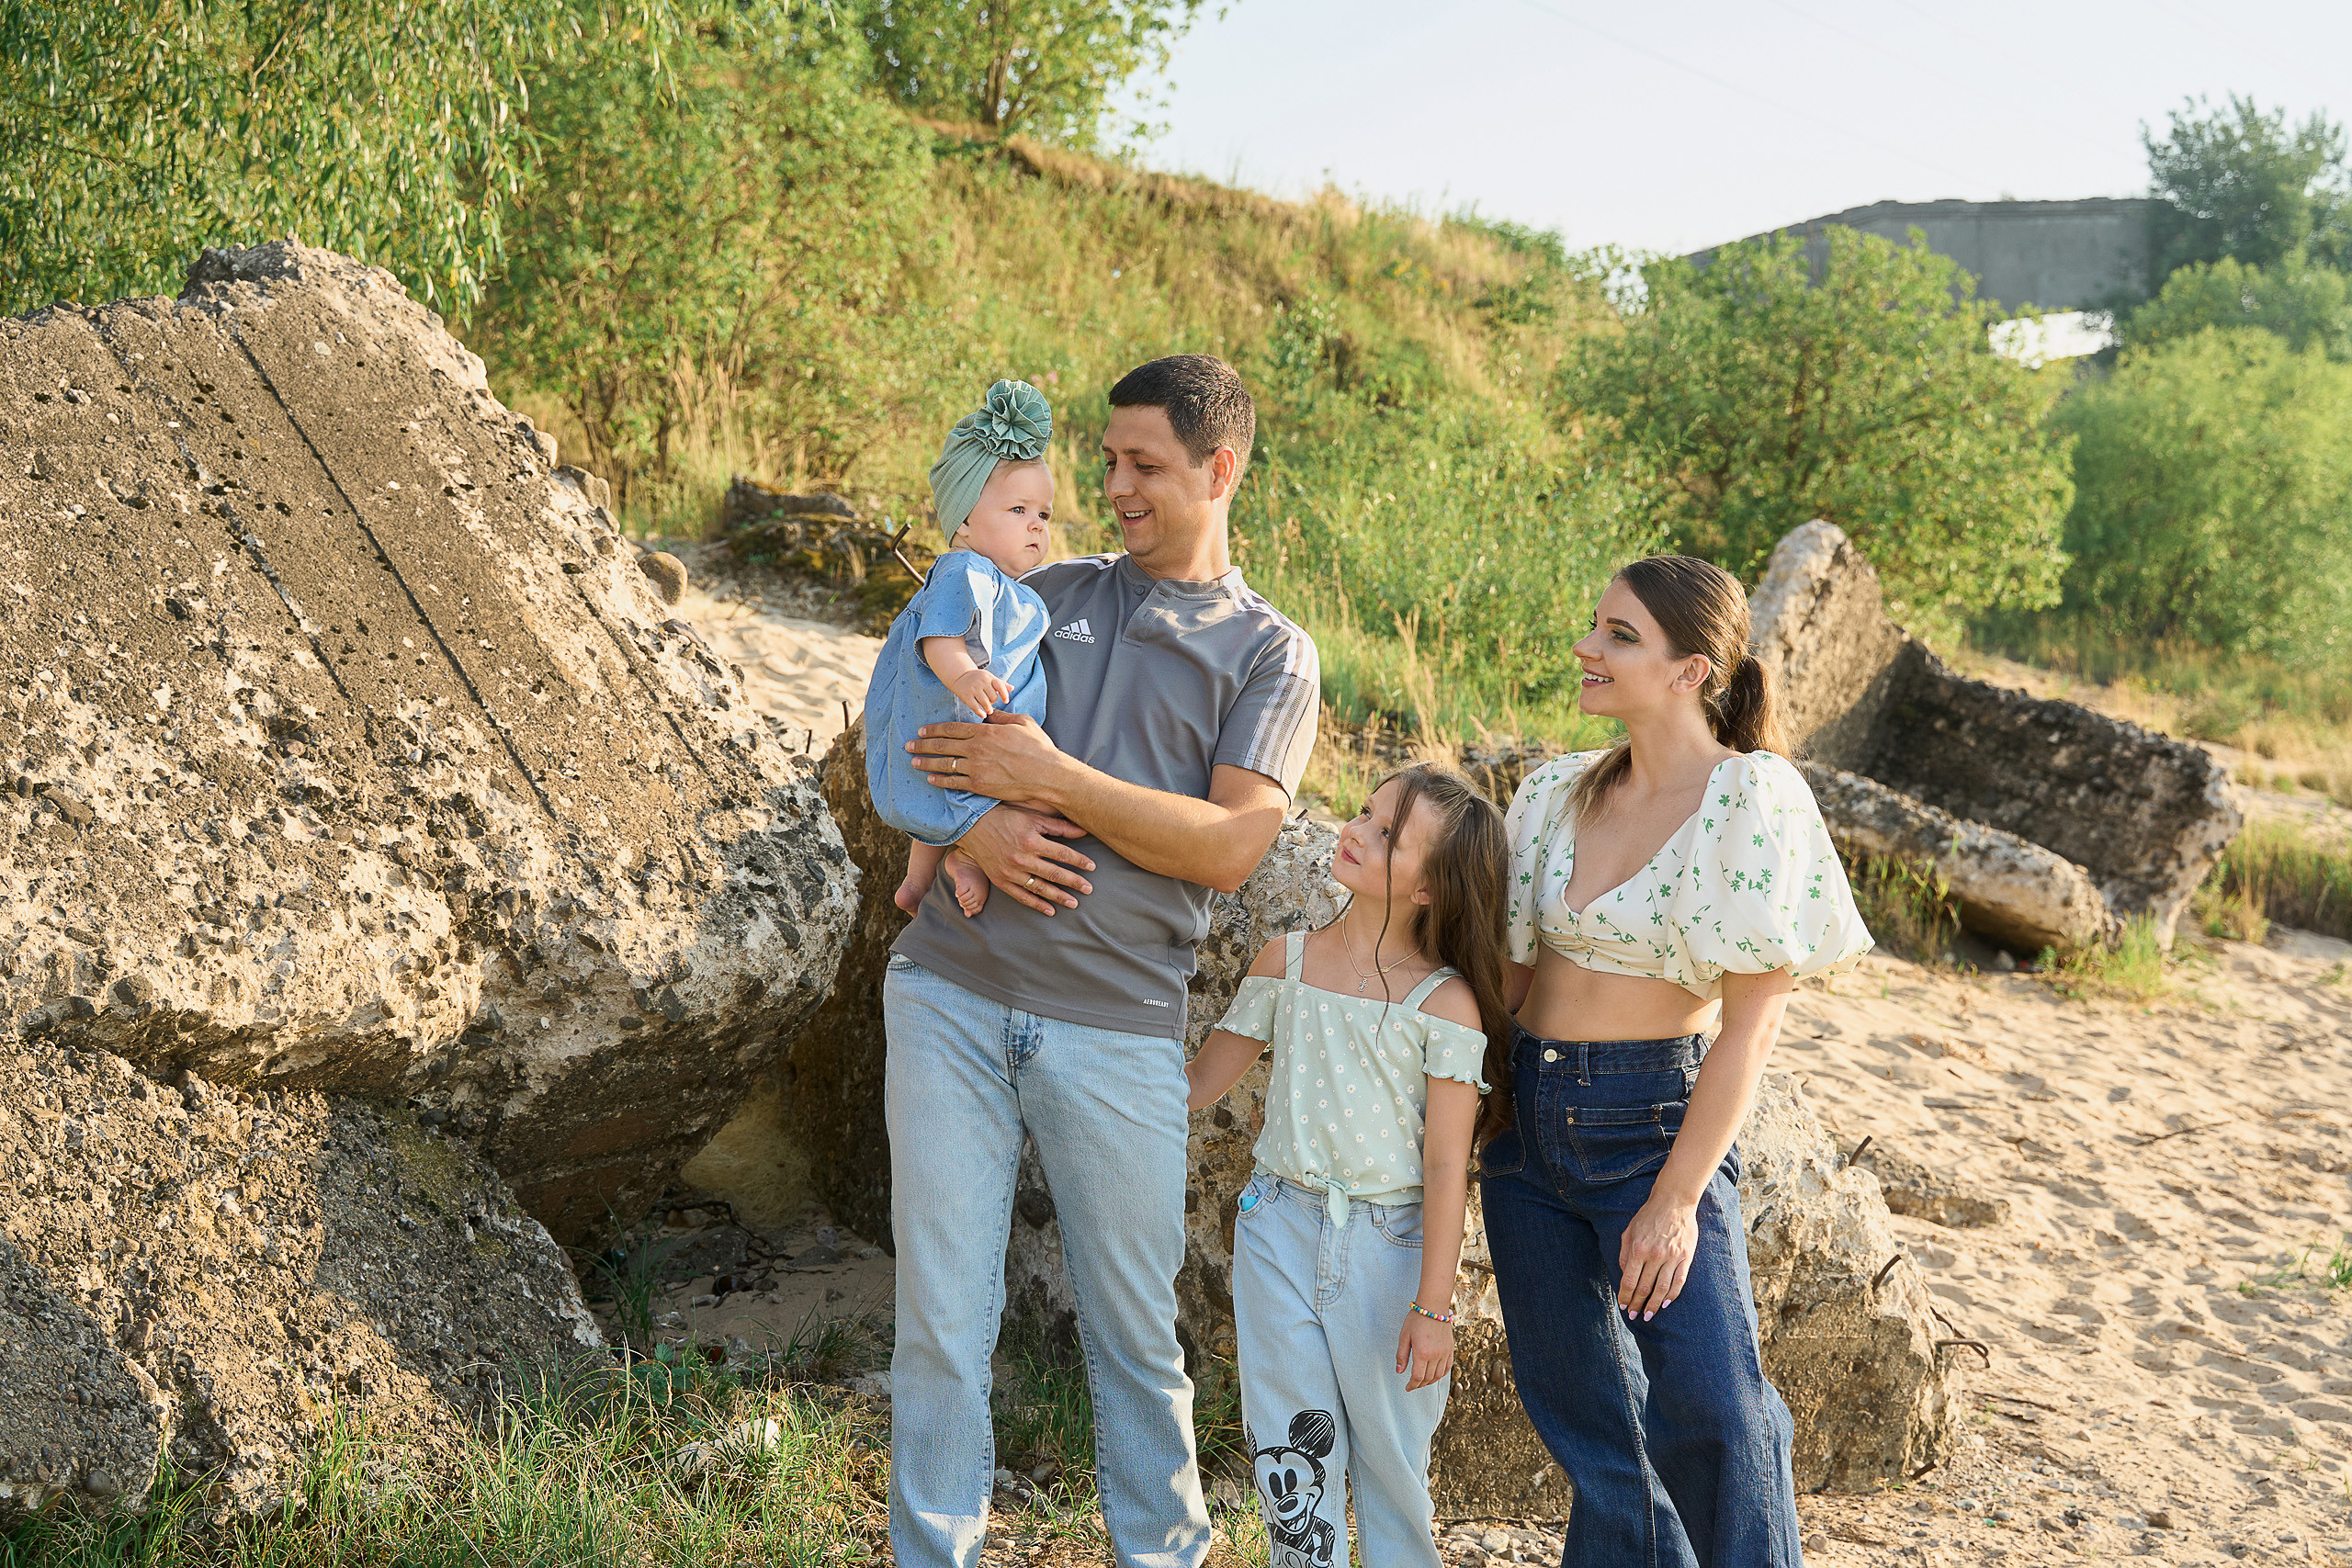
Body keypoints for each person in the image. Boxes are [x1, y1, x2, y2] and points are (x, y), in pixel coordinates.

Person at [883, 355, 1319, 1568]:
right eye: (1109, 461)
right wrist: (973, 822)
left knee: (1134, 1336)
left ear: (1219, 469)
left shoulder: (1272, 653)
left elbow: (1235, 842)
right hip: (949, 995)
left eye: (1146, 466)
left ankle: (1162, 1554)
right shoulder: (1042, 588)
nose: (1113, 488)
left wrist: (1054, 779)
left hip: (1119, 1024)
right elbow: (904, 717)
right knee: (939, 1321)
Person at [1482, 555, 1873, 1568]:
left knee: (1713, 1409)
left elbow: (1751, 1024)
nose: (1588, 647)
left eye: (1619, 635)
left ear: (1691, 670)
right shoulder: (1555, 791)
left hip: (1651, 1124)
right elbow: (1508, 985)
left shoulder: (1749, 797)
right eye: (1595, 625)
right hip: (1525, 1130)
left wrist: (1674, 1201)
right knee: (1591, 1423)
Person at [1184, 763, 1514, 1568]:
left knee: (1394, 1469)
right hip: (1278, 1234)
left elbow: (1445, 1164)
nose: (1355, 831)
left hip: (1392, 1256)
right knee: (1292, 1459)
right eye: (1364, 813)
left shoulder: (1447, 1005)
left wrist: (1434, 1305)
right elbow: (1190, 1089)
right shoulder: (1285, 962)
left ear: (1434, 886)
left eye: (1387, 833)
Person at [864, 378, 1057, 917]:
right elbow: (938, 640)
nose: (1036, 526)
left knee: (961, 789)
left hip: (986, 724)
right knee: (947, 782)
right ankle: (926, 874)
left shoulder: (1013, 589)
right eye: (1018, 510)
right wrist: (965, 676)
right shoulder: (962, 570)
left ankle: (941, 867)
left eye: (1044, 515)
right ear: (966, 521)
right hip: (956, 707)